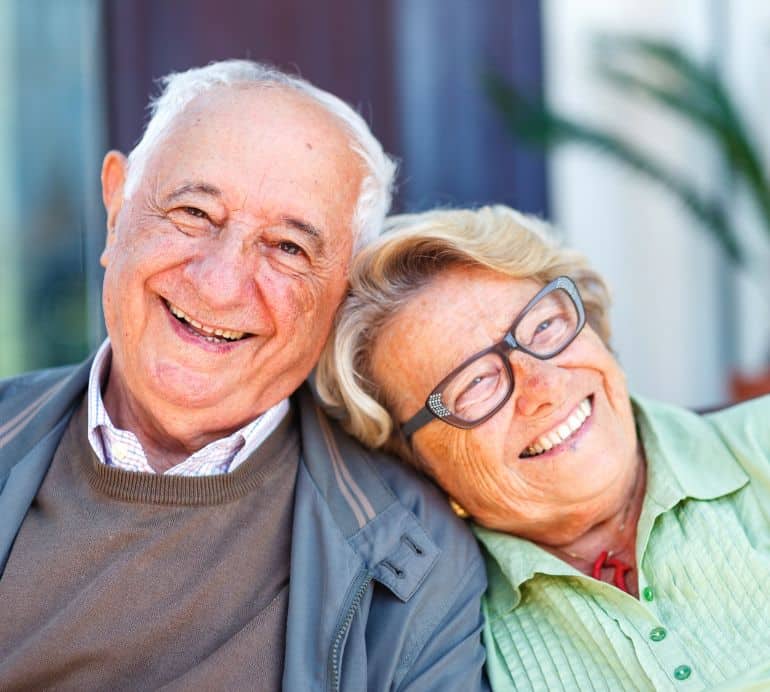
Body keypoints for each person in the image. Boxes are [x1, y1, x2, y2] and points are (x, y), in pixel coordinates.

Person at [0, 61, 489, 691]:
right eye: (194, 212)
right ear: (117, 209)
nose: (219, 283)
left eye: (288, 247)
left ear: (344, 292)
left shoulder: (416, 562)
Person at [316, 204, 770, 691]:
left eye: (543, 326)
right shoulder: (448, 640)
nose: (544, 386)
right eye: (476, 382)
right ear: (416, 459)